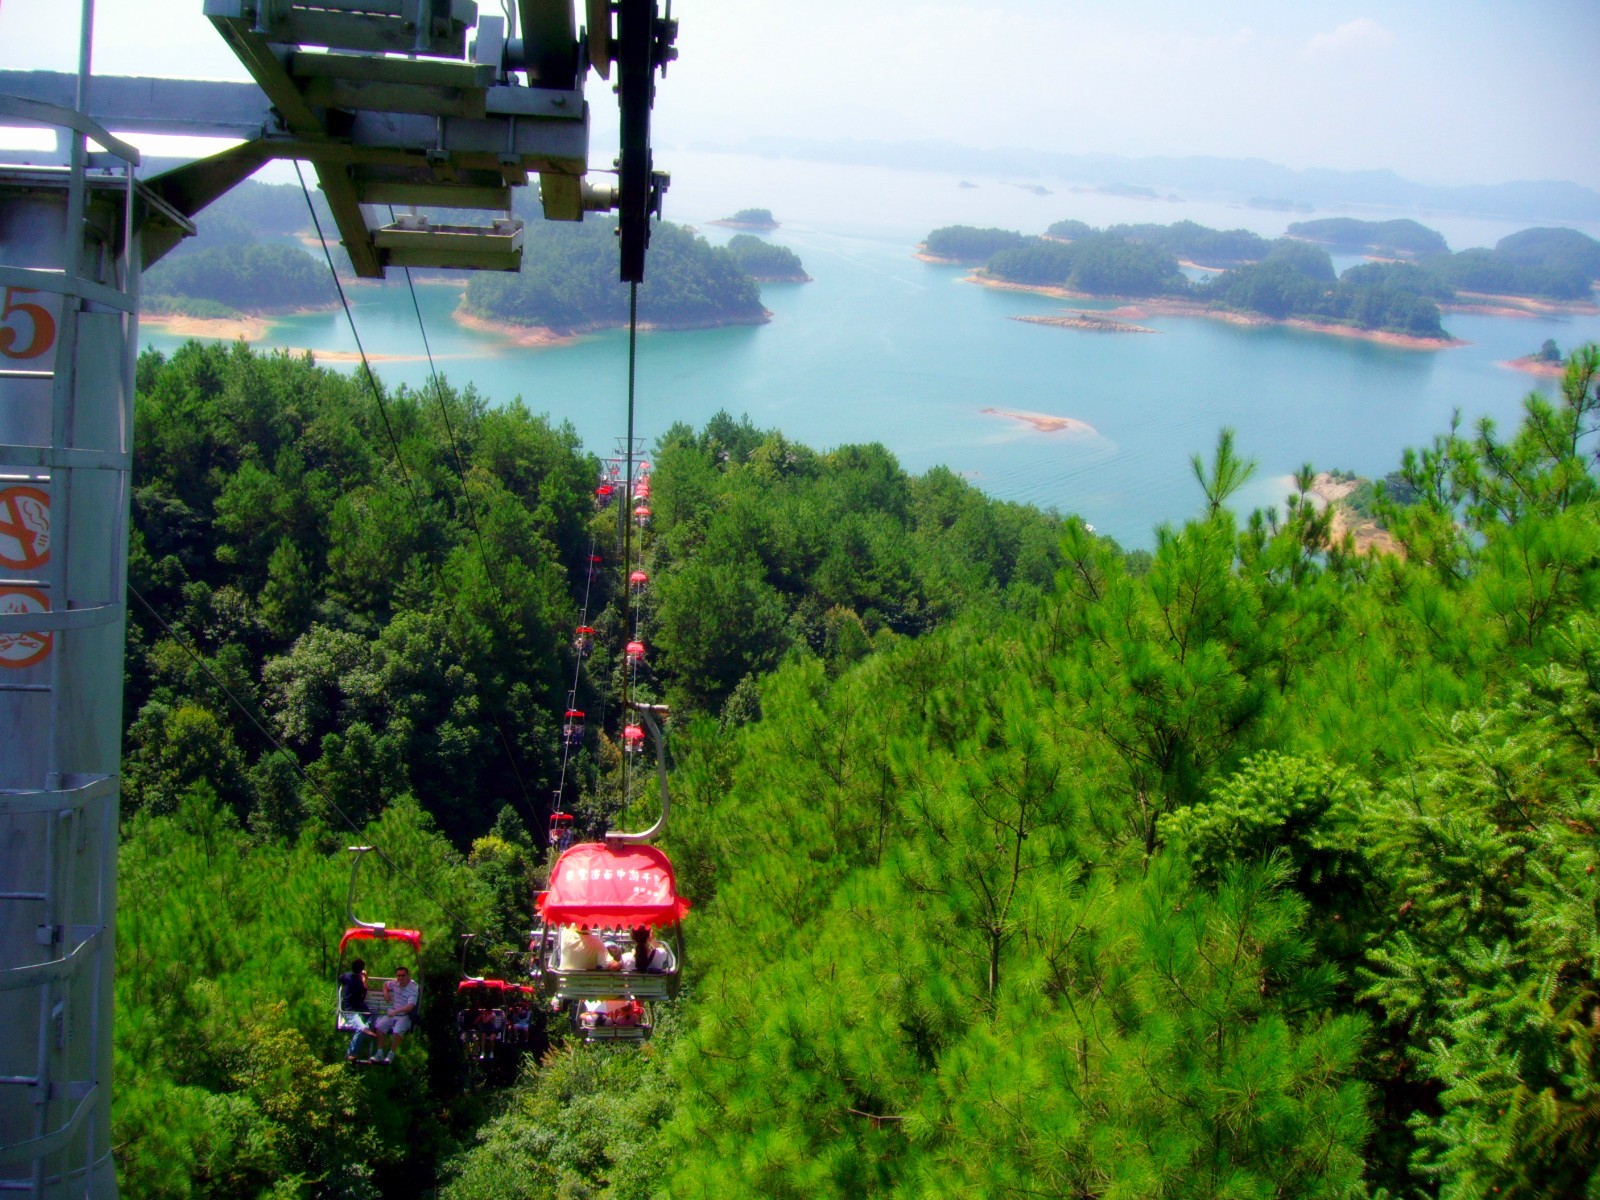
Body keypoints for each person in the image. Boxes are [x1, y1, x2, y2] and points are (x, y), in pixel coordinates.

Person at [372, 965, 419, 1064]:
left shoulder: (413, 988)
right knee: (379, 1026)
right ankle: (379, 1053)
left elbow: (410, 1006)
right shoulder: (395, 983)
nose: (401, 978)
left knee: (398, 1031)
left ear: (407, 975)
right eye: (398, 976)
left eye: (403, 975)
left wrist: (395, 1012)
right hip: (393, 1013)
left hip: (404, 1015)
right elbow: (385, 984)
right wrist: (385, 993)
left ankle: (391, 1055)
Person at [339, 958, 373, 1062]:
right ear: (362, 969)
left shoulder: (347, 976)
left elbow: (341, 978)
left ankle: (366, 1029)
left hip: (356, 1008)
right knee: (361, 1028)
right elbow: (364, 993)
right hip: (350, 1010)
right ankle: (351, 1053)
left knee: (370, 1019)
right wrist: (364, 979)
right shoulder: (359, 982)